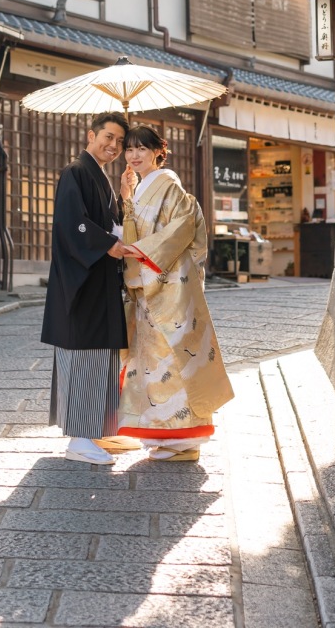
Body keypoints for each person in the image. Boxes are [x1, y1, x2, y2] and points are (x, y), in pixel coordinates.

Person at [116, 125, 234, 461]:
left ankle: (185, 440)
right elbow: (135, 233)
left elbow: (182, 227)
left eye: (142, 148)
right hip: (147, 287)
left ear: (158, 152)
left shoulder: (168, 185)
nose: (134, 155)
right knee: (151, 364)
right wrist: (127, 200)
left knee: (175, 358)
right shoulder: (140, 188)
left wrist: (142, 251)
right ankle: (163, 436)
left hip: (167, 287)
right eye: (129, 149)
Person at [41, 112, 139, 465]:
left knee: (101, 356)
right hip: (80, 284)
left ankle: (96, 429)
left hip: (98, 280)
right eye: (108, 137)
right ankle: (79, 439)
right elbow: (73, 224)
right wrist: (108, 244)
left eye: (120, 142)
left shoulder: (100, 176)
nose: (114, 146)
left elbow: (110, 224)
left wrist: (124, 195)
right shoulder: (76, 171)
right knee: (84, 356)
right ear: (91, 135)